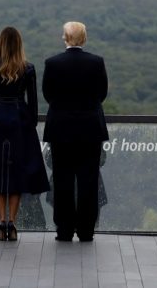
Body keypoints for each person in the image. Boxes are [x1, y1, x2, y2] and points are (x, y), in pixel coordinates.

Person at [0, 26, 50, 241]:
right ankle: (12, 223)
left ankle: (1, 222)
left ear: (0, 43)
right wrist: (29, 124)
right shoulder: (29, 68)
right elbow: (33, 104)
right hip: (20, 120)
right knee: (17, 174)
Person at [42, 21, 109, 242]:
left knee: (62, 180)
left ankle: (64, 229)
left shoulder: (52, 63)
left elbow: (48, 94)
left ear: (65, 38)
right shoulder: (96, 62)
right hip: (90, 128)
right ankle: (86, 230)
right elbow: (101, 94)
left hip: (61, 129)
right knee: (88, 180)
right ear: (84, 38)